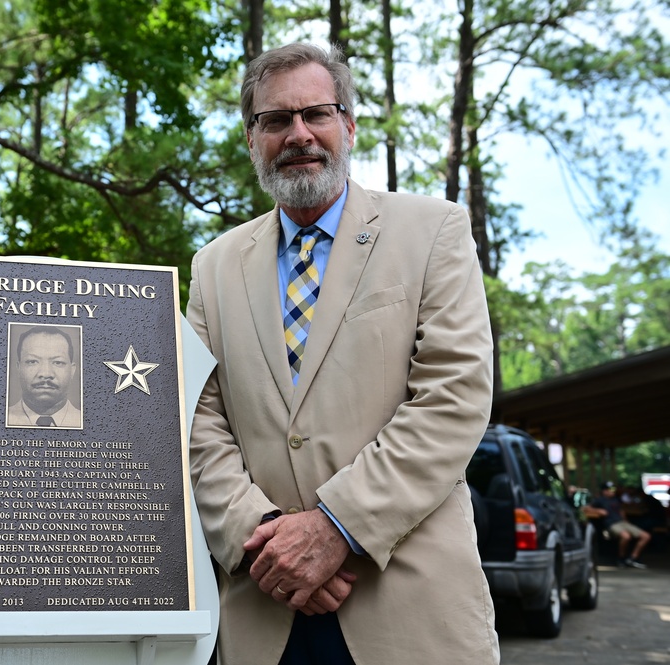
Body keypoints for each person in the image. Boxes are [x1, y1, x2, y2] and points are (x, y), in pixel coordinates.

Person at [186, 43, 498, 665]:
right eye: (276, 120)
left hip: (407, 609)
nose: (298, 134)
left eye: (317, 114)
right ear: (252, 139)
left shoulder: (432, 231)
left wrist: (336, 527)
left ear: (349, 126)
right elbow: (197, 419)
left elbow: (454, 394)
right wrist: (266, 544)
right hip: (263, 609)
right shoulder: (213, 265)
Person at [6, 325, 83, 428]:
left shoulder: (89, 423)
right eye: (32, 361)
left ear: (72, 370)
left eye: (58, 362)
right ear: (19, 368)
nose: (46, 374)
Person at [590, 481, 651, 568]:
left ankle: (632, 558)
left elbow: (622, 509)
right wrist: (598, 510)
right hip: (611, 523)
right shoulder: (599, 500)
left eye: (613, 489)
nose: (613, 491)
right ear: (604, 491)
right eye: (610, 489)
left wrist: (625, 519)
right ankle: (621, 558)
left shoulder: (616, 499)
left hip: (623, 522)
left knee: (646, 536)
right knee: (626, 536)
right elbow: (585, 508)